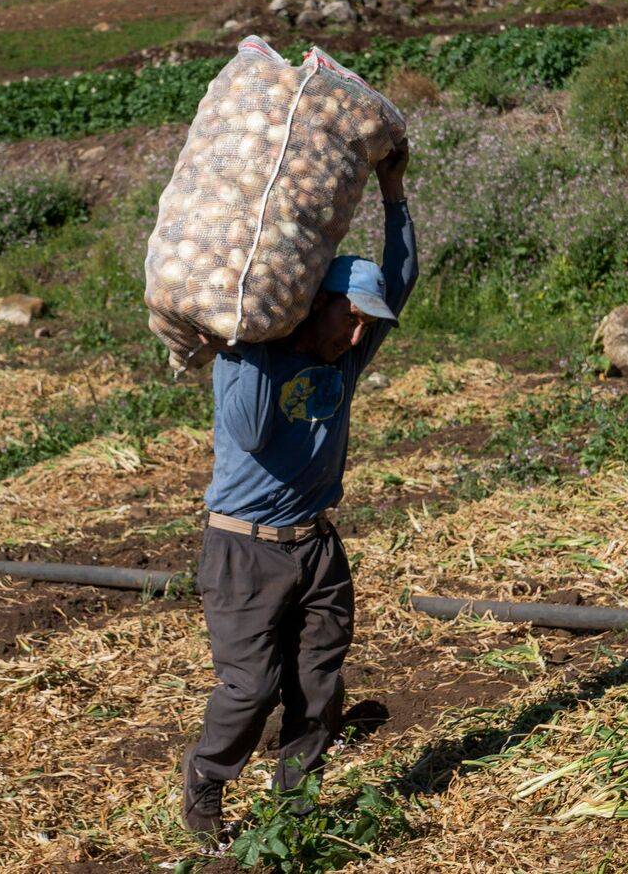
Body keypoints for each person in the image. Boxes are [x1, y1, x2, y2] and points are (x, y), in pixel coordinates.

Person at [182, 141, 415, 841]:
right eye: (350, 316)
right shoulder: (248, 359)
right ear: (313, 304)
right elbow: (252, 435)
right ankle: (203, 787)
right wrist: (253, 326)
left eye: (368, 323)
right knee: (250, 688)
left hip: (315, 545)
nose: (359, 332)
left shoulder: (347, 357)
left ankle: (295, 806)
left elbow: (400, 276)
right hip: (244, 552)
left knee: (318, 683)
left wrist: (395, 194)